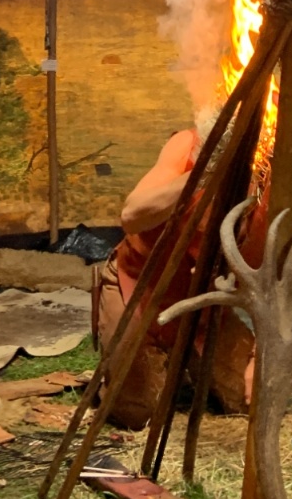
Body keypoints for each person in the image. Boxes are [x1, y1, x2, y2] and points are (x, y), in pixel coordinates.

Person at [95, 125, 256, 429]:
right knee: (137, 414)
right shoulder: (189, 145)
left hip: (204, 304)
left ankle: (186, 356)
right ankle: (139, 354)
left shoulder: (268, 175)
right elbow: (132, 216)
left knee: (249, 400)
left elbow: (272, 283)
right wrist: (207, 173)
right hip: (141, 288)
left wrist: (258, 357)